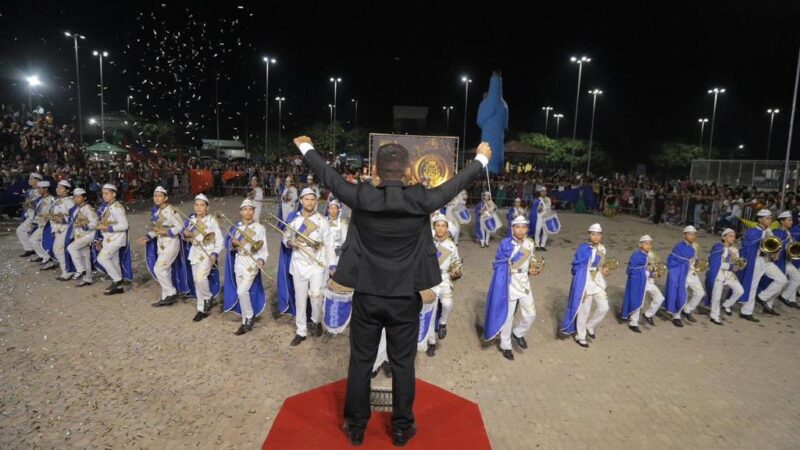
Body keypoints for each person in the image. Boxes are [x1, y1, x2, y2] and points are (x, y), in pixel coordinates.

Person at [293, 135, 490, 447]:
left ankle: (356, 426)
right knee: (402, 364)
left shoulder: (361, 197)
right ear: (408, 170)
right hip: (404, 298)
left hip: (368, 295)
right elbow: (455, 185)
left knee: (360, 360)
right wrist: (481, 159)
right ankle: (401, 428)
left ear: (375, 168)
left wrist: (307, 148)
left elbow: (327, 175)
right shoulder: (421, 199)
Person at [483, 215, 539, 360]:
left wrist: (532, 269)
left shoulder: (530, 244)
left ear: (527, 229)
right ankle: (505, 345)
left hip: (524, 282)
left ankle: (518, 333)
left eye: (523, 227)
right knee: (508, 317)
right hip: (509, 282)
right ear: (513, 228)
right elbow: (499, 263)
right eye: (517, 227)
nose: (520, 231)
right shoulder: (506, 244)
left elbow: (531, 258)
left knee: (531, 314)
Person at [283, 188, 329, 346]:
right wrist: (290, 242)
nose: (310, 202)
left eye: (313, 199)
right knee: (300, 299)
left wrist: (331, 265)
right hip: (298, 263)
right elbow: (286, 238)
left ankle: (316, 321)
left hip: (316, 264)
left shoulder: (322, 220)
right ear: (301, 201)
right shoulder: (294, 220)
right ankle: (301, 330)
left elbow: (328, 243)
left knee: (316, 296)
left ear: (316, 201)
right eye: (307, 199)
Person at [222, 199, 268, 335]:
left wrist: (261, 260)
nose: (248, 212)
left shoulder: (260, 228)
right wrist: (233, 244)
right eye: (245, 209)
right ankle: (244, 321)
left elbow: (264, 249)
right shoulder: (236, 228)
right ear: (241, 211)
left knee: (241, 291)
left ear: (254, 211)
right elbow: (228, 245)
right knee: (243, 292)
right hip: (239, 261)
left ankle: (249, 317)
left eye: (251, 209)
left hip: (251, 263)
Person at [560, 223, 610, 348]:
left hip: (598, 281)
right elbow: (577, 265)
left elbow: (602, 264)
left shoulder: (603, 248)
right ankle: (580, 336)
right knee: (584, 311)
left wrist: (604, 269)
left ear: (601, 236)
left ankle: (590, 326)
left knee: (604, 307)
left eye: (598, 235)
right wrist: (580, 286)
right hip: (585, 281)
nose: (596, 237)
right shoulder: (583, 248)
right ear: (589, 235)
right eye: (593, 234)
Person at [418, 213, 461, 357]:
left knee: (447, 304)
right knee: (429, 311)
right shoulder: (428, 243)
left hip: (445, 279)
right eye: (438, 225)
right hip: (430, 280)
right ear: (434, 227)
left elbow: (456, 261)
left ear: (447, 228)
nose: (440, 228)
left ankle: (443, 322)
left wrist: (457, 270)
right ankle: (431, 342)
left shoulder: (451, 246)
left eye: (443, 226)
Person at [139, 187, 187, 307]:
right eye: (155, 195)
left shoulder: (172, 210)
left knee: (158, 269)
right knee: (165, 270)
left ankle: (171, 292)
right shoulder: (156, 211)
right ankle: (166, 297)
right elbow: (156, 229)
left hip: (171, 242)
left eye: (160, 196)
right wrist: (148, 237)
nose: (157, 198)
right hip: (161, 244)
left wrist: (166, 232)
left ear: (166, 198)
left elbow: (181, 227)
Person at [737, 209, 787, 320]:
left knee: (782, 279)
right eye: (767, 218)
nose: (770, 220)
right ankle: (746, 311)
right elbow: (746, 246)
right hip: (756, 261)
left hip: (767, 261)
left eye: (770, 218)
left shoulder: (769, 231)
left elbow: (775, 246)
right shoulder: (752, 231)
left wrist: (775, 253)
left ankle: (762, 297)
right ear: (760, 219)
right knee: (752, 285)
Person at [182, 194, 223, 322]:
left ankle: (208, 297)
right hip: (195, 253)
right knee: (196, 281)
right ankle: (202, 309)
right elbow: (185, 236)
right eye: (197, 205)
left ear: (207, 208)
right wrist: (185, 234)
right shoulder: (190, 220)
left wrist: (215, 254)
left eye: (202, 205)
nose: (199, 207)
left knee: (201, 278)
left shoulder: (212, 220)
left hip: (208, 253)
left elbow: (220, 240)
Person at [621, 235, 665, 332]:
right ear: (640, 245)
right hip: (639, 281)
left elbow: (654, 266)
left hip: (648, 281)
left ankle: (648, 314)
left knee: (660, 298)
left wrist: (656, 272)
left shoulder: (652, 255)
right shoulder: (636, 255)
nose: (648, 245)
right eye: (646, 243)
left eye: (649, 243)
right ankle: (633, 323)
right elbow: (630, 270)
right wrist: (648, 272)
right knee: (638, 301)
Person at [94, 184, 132, 295]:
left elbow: (124, 225)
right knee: (114, 261)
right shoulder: (107, 207)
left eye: (107, 193)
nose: (104, 196)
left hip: (117, 238)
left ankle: (117, 280)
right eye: (103, 194)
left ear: (114, 194)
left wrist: (106, 227)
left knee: (102, 258)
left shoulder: (117, 207)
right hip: (109, 238)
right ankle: (119, 287)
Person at [664, 226, 704, 327]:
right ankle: (676, 316)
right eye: (690, 234)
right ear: (684, 235)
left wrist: (698, 265)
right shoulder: (679, 247)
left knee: (700, 293)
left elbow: (695, 259)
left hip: (692, 273)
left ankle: (687, 310)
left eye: (694, 234)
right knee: (681, 294)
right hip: (683, 273)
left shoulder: (695, 246)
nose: (692, 236)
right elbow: (674, 260)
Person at [705, 228, 745, 324]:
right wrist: (730, 266)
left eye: (734, 236)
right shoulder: (718, 247)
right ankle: (714, 316)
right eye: (730, 236)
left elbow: (736, 262)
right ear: (724, 237)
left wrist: (740, 265)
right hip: (719, 274)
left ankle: (726, 305)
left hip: (730, 276)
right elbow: (715, 263)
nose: (733, 238)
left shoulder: (735, 250)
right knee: (716, 297)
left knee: (740, 291)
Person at [66, 188, 99, 287]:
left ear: (84, 198)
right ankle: (88, 278)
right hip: (80, 235)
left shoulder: (88, 208)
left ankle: (80, 269)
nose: (76, 198)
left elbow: (95, 222)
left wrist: (85, 225)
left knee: (71, 247)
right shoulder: (76, 208)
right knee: (85, 256)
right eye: (75, 197)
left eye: (78, 197)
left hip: (89, 234)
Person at [47, 180, 76, 277]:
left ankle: (67, 272)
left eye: (61, 188)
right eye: (57, 187)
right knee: (58, 250)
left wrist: (60, 219)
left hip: (66, 229)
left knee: (58, 249)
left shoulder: (70, 201)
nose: (58, 189)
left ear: (67, 191)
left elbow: (74, 217)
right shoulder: (56, 201)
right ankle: (67, 270)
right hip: (57, 229)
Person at [774, 211, 800, 308]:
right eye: (789, 220)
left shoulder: (788, 232)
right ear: (782, 221)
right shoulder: (777, 232)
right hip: (779, 261)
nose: (792, 222)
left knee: (797, 278)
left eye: (791, 220)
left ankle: (784, 296)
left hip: (787, 261)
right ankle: (766, 302)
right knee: (779, 281)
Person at [27, 180, 56, 267]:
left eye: (40, 188)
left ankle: (47, 257)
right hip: (39, 223)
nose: (38, 190)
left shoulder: (51, 199)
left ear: (46, 189)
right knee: (36, 240)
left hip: (46, 225)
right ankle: (43, 256)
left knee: (33, 240)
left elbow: (50, 213)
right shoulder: (41, 198)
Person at [16, 173, 42, 257]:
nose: (29, 181)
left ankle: (32, 249)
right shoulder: (31, 190)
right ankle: (30, 249)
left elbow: (39, 205)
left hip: (36, 217)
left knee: (21, 230)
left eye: (31, 179)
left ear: (37, 181)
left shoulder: (40, 191)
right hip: (29, 215)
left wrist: (29, 204)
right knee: (22, 231)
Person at [529, 186, 551, 251]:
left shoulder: (548, 199)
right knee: (537, 230)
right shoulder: (537, 200)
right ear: (540, 193)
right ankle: (537, 245)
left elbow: (549, 208)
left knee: (546, 231)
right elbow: (534, 209)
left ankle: (542, 245)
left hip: (546, 217)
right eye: (542, 191)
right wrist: (538, 209)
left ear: (546, 192)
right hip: (539, 217)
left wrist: (546, 211)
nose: (543, 193)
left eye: (544, 191)